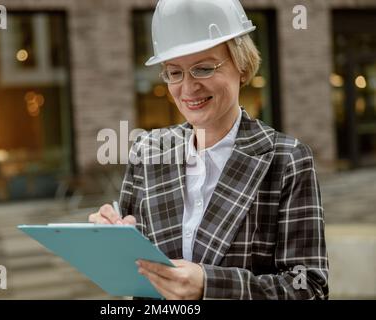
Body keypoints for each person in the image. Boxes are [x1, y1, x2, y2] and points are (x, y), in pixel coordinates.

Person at [89, 0, 328, 299]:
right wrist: (111, 242)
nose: (188, 89)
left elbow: (310, 289)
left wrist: (209, 285)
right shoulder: (147, 151)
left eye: (203, 68)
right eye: (174, 73)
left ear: (241, 66)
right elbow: (132, 277)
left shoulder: (287, 160)